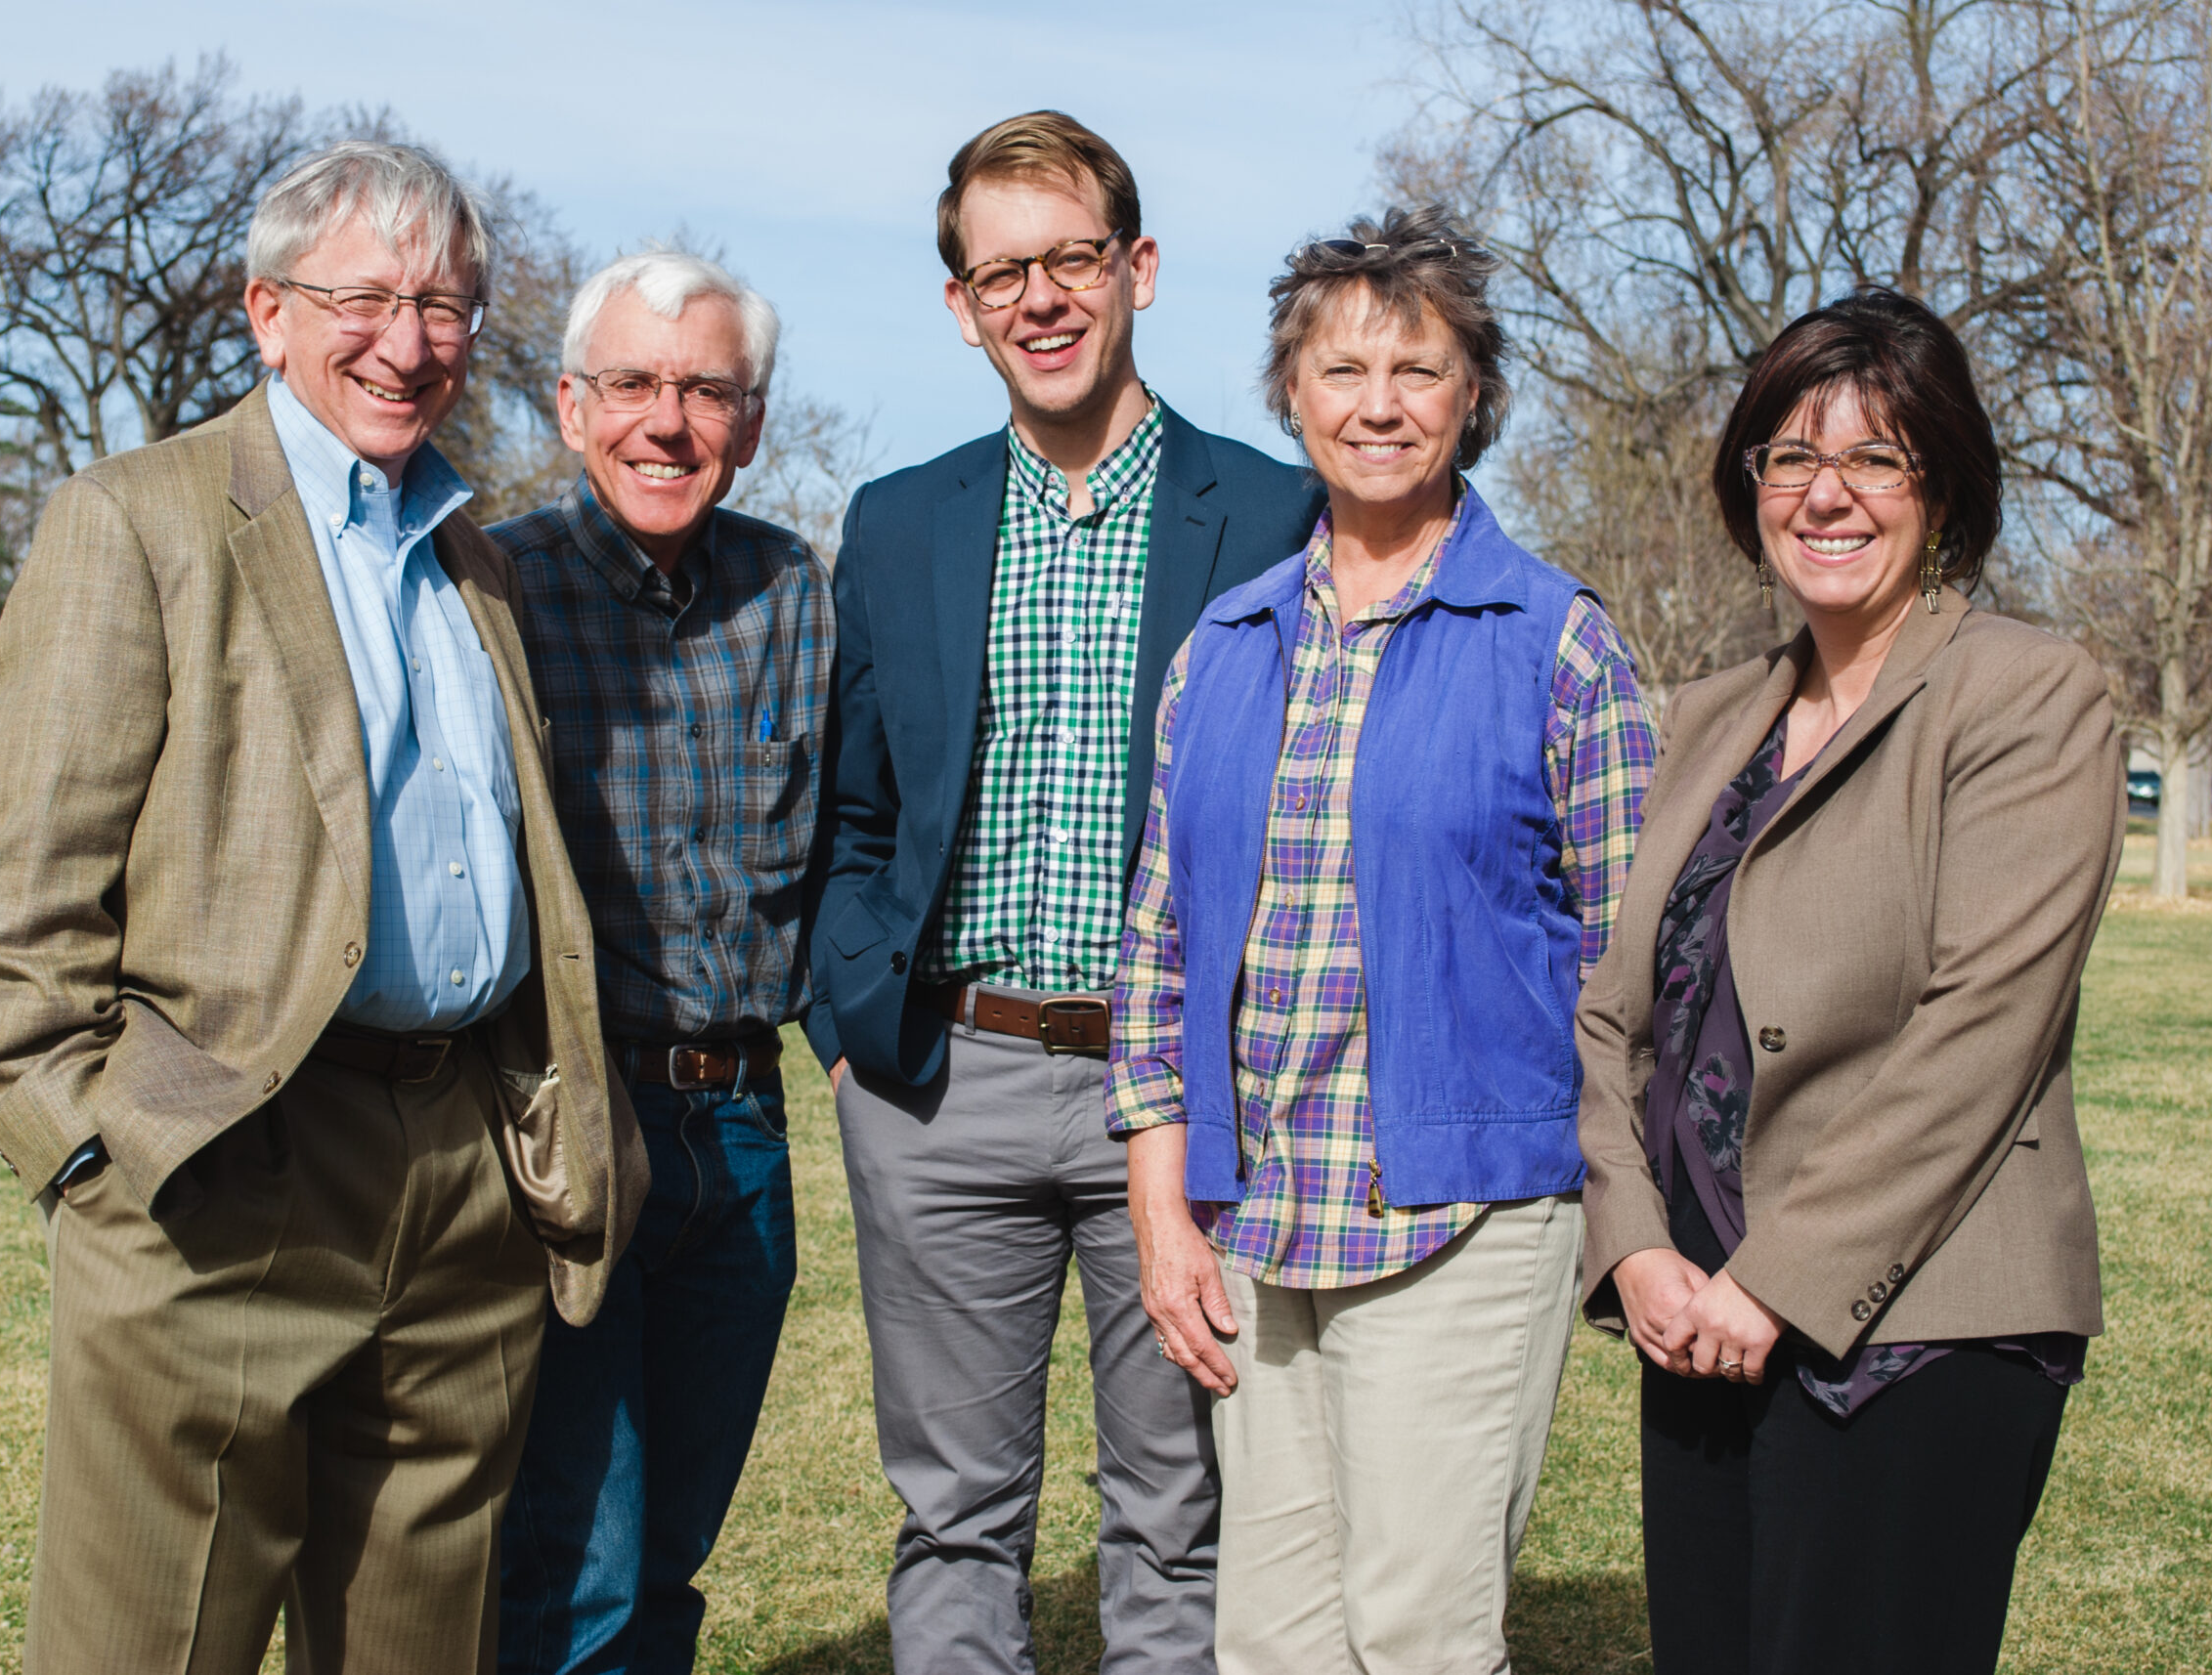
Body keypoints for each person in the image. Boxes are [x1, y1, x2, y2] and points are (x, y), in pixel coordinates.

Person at [0, 141, 643, 1675]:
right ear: (268, 312)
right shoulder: (134, 522)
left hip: (464, 1175)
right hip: (220, 1169)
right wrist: (94, 1159)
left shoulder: (476, 554)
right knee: (151, 1643)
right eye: (367, 298)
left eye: (448, 304)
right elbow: (22, 914)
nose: (410, 341)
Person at [806, 110, 1323, 1674]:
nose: (1039, 297)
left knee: (1177, 1511)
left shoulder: (1274, 517)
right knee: (956, 1513)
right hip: (939, 1081)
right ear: (961, 304)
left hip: (1174, 1093)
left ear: (1138, 269)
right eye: (1000, 270)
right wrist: (850, 1024)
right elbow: (848, 805)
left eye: (1071, 259)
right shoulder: (902, 521)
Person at [1107, 210, 1656, 1674]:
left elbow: (1633, 966)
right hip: (1257, 1221)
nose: (1379, 403)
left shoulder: (1554, 641)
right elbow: (1155, 948)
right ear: (1291, 393)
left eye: (1419, 368)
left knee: (1416, 1632)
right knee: (1270, 1638)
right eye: (1341, 368)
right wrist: (1166, 1211)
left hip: (1458, 1216)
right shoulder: (1224, 643)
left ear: (1474, 394)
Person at [1575, 286, 2121, 1674]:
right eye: (1792, 455)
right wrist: (1636, 1243)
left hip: (1920, 1332)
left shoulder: (2029, 697)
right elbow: (1612, 1012)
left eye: (1877, 457)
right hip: (1696, 1325)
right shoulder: (1705, 717)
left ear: (1941, 487)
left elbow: (1981, 1031)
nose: (1829, 493)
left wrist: (1777, 1281)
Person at [490, 248, 831, 1675]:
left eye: (706, 390)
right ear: (572, 407)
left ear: (749, 424)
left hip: (741, 1129)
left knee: (674, 1536)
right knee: (582, 1545)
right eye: (632, 382)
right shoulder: (493, 588)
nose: (666, 421)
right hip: (570, 1116)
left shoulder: (795, 593)